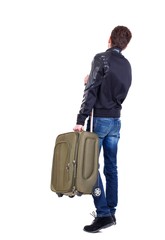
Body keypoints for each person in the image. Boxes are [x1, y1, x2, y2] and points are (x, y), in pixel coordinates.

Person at [73, 25, 132, 233]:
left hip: (99, 120)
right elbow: (118, 91)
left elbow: (92, 91)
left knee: (90, 165)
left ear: (110, 39)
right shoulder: (127, 65)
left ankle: (103, 213)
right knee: (111, 168)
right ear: (125, 44)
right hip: (116, 120)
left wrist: (80, 119)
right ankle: (111, 211)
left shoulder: (101, 58)